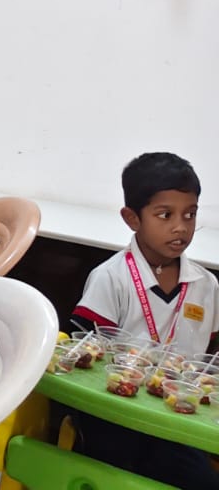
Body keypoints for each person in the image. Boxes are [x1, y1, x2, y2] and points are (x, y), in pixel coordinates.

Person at [69, 152, 218, 488]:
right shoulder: (111, 277)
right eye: (165, 215)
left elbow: (206, 360)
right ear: (132, 218)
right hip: (114, 415)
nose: (181, 227)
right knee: (120, 477)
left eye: (190, 214)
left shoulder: (206, 285)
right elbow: (84, 357)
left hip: (175, 421)